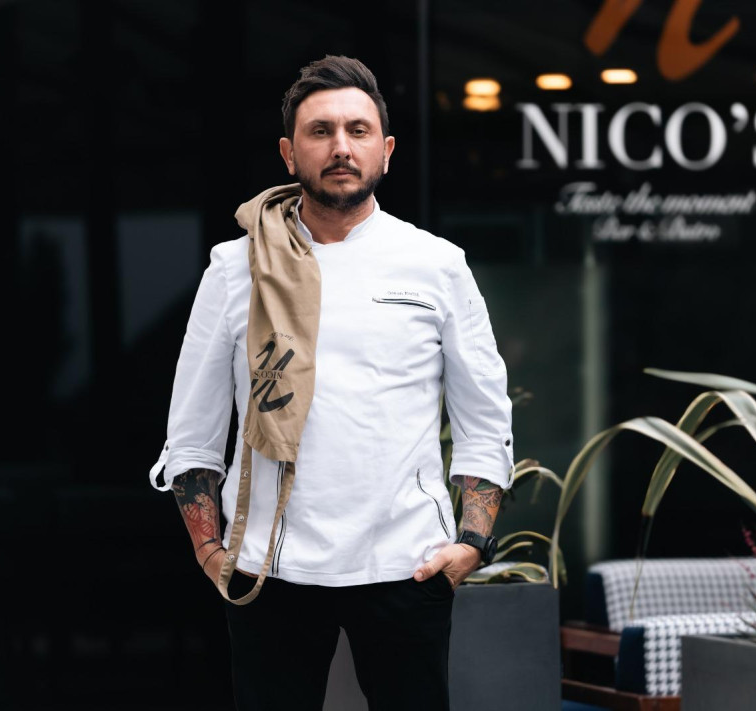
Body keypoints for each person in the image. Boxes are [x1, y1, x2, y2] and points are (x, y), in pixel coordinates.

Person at [148, 55, 514, 711]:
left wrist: (470, 544)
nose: (341, 146)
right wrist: (209, 550)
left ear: (386, 151)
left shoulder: (436, 264)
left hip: (406, 563)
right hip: (270, 567)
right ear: (289, 153)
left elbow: (485, 418)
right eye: (320, 131)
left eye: (357, 130)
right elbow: (193, 431)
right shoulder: (236, 267)